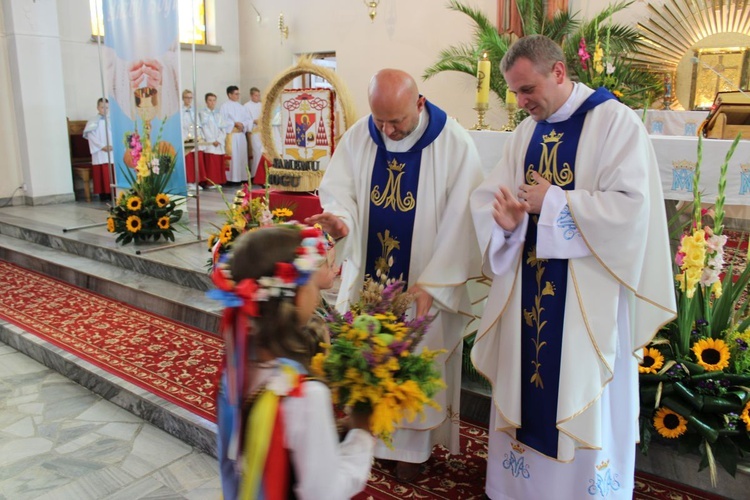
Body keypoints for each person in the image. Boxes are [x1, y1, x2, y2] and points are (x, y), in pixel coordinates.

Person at [469, 35, 677, 499]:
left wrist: (557, 203)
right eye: (515, 92)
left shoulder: (616, 124)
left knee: (576, 391)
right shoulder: (525, 132)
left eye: (527, 90)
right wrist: (505, 224)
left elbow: (633, 210)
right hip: (530, 291)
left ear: (559, 72)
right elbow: (495, 197)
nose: (521, 103)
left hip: (588, 301)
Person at [307, 68, 483, 481]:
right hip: (371, 275)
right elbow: (340, 192)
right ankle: (373, 437)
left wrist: (436, 281)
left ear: (418, 103)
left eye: (397, 121)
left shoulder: (453, 143)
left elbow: (465, 221)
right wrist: (340, 223)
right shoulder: (360, 136)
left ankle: (414, 450)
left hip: (426, 280)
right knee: (368, 350)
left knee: (419, 359)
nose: (387, 129)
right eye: (380, 120)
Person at [210, 225, 374, 499]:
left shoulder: (234, 371)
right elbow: (326, 492)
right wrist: (362, 435)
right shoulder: (304, 395)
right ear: (297, 295)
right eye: (311, 281)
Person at [83, 98, 114, 201]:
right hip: (100, 151)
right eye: (102, 107)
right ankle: (103, 194)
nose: (104, 109)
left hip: (111, 150)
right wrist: (102, 146)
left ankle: (112, 193)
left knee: (111, 171)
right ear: (97, 108)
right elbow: (91, 136)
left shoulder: (112, 120)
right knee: (102, 171)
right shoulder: (92, 121)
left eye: (106, 107)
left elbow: (115, 134)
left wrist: (112, 145)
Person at [220, 85, 252, 185]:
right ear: (229, 94)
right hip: (231, 135)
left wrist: (243, 124)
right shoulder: (224, 106)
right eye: (236, 94)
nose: (238, 96)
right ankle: (232, 179)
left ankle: (242, 177)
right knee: (233, 157)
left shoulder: (241, 107)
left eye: (238, 94)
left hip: (241, 135)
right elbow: (222, 121)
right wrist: (234, 123)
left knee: (241, 156)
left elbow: (248, 119)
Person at [199, 92, 231, 186]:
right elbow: (204, 128)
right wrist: (212, 140)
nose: (212, 102)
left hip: (218, 142)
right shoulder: (203, 114)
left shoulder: (218, 114)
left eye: (214, 100)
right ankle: (210, 182)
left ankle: (218, 181)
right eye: (210, 100)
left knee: (218, 162)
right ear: (206, 101)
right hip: (210, 142)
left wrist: (219, 139)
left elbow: (223, 129)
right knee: (211, 162)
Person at [181, 89, 207, 190]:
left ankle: (196, 181)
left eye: (190, 98)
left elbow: (198, 123)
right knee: (189, 160)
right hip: (186, 136)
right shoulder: (181, 110)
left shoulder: (194, 110)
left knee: (196, 159)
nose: (189, 100)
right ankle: (189, 181)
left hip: (195, 136)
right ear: (183, 98)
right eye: (187, 97)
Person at [243, 87, 263, 179]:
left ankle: (262, 174)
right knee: (257, 153)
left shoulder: (261, 105)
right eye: (256, 95)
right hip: (254, 132)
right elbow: (245, 120)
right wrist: (253, 121)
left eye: (259, 95)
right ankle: (255, 174)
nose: (258, 97)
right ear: (251, 95)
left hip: (262, 132)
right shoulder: (246, 106)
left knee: (262, 153)